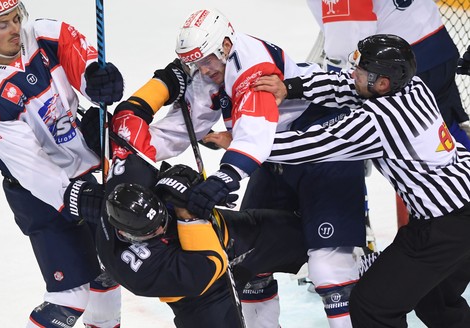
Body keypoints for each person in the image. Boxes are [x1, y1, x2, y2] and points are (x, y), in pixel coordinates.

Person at [169, 8, 367, 327]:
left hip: (325, 153)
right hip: (275, 155)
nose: (201, 69)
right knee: (248, 257)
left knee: (329, 270)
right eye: (194, 63)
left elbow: (254, 139)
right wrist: (126, 133)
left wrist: (225, 177)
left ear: (226, 45)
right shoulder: (211, 70)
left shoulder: (252, 67)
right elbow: (184, 126)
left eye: (205, 59)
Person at [261, 33, 470, 328]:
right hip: (462, 206)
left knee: (371, 306)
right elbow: (345, 87)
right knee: (435, 302)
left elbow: (312, 145)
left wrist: (246, 144)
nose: (352, 74)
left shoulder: (378, 121)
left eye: (360, 71)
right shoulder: (415, 86)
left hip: (442, 228)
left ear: (382, 83)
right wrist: (292, 87)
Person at [0, 1, 123, 327]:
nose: (14, 30)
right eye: (2, 25)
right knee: (71, 296)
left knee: (108, 272)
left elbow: (82, 58)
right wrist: (76, 197)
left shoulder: (44, 34)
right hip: (39, 195)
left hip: (86, 169)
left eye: (15, 19)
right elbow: (32, 169)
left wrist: (97, 77)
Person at [96, 148, 308, 328]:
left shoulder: (131, 177)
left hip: (236, 233)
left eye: (161, 219)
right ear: (125, 234)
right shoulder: (138, 272)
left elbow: (124, 141)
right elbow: (211, 262)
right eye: (152, 232)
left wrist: (189, 183)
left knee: (316, 240)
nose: (162, 228)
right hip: (202, 297)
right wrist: (185, 209)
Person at [305, 0, 470, 150]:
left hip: (401, 68)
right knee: (444, 129)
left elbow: (347, 43)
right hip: (439, 49)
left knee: (419, 146)